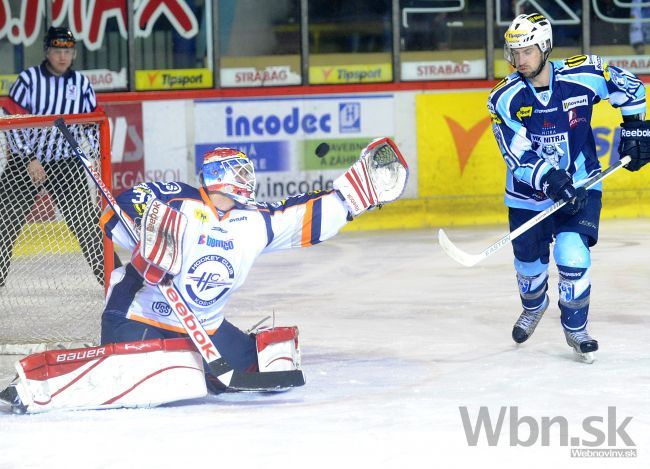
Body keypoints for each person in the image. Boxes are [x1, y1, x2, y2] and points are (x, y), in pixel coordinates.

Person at [0, 139, 408, 412]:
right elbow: (115, 213)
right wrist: (150, 244)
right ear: (220, 174)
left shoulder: (254, 221)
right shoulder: (171, 198)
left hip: (204, 329)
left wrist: (354, 196)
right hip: (139, 319)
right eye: (241, 170)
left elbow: (305, 215)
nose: (249, 178)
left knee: (262, 366)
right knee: (159, 375)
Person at [487, 13, 646, 362]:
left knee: (572, 255)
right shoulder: (504, 98)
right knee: (529, 266)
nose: (519, 61)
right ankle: (534, 304)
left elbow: (631, 89)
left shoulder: (583, 74)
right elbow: (515, 155)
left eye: (527, 52)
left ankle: (576, 328)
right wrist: (549, 178)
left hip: (582, 182)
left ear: (545, 48)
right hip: (528, 196)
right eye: (513, 53)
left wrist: (636, 130)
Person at [0, 26, 117, 287]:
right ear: (46, 52)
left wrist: (98, 154)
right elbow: (10, 120)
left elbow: (94, 122)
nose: (63, 57)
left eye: (68, 51)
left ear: (74, 53)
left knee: (87, 223)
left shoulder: (81, 84)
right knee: (4, 219)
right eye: (57, 50)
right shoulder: (28, 80)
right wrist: (29, 157)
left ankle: (114, 281)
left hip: (65, 161)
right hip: (25, 163)